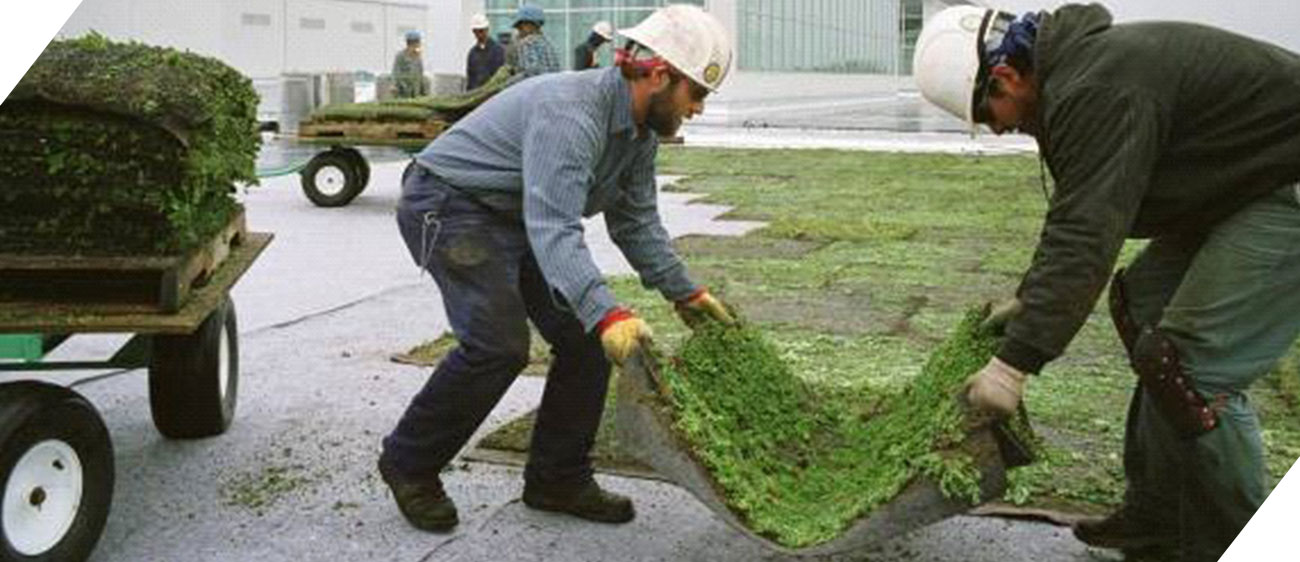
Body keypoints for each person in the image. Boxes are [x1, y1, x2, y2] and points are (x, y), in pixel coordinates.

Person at [914, 4, 1300, 562]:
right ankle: (1160, 516)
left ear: (1005, 76)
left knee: (1190, 363)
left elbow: (1087, 232)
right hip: (1245, 186)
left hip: (1285, 187)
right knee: (1139, 303)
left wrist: (1012, 365)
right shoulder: (1083, 72)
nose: (1001, 128)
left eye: (992, 114)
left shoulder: (1098, 85)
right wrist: (1031, 300)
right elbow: (1078, 214)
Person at [378, 5, 735, 533]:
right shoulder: (573, 112)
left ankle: (556, 478)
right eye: (697, 94)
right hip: (450, 203)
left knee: (585, 338)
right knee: (497, 345)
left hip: (512, 212)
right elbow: (554, 226)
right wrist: (608, 311)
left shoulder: (637, 135)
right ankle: (408, 463)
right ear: (660, 75)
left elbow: (636, 224)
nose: (698, 109)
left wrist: (687, 294)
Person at [511, 4, 560, 79]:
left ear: (528, 25)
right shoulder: (548, 43)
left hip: (536, 88)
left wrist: (506, 84)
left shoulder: (526, 43)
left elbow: (529, 75)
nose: (519, 31)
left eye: (520, 27)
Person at [465, 13, 505, 91]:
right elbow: (470, 78)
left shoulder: (498, 50)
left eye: (481, 31)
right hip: (476, 94)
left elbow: (500, 75)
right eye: (476, 32)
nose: (479, 35)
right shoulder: (472, 53)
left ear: (487, 30)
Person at [391, 30, 428, 98]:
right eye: (418, 42)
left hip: (416, 92)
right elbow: (395, 72)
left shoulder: (418, 57)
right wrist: (395, 85)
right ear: (411, 43)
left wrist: (424, 92)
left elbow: (420, 74)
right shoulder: (400, 56)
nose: (419, 45)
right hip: (403, 91)